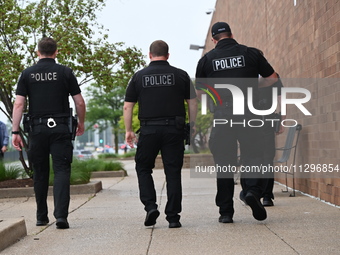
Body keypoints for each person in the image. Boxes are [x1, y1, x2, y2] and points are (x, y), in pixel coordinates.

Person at [195, 22, 278, 223]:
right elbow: (272, 78)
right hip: (249, 112)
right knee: (253, 155)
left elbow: (199, 93)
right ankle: (251, 191)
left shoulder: (206, 60)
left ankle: (225, 212)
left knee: (224, 163)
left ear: (214, 40)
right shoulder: (250, 53)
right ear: (232, 34)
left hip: (224, 115)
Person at [12, 37, 86, 229]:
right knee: (61, 170)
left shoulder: (27, 74)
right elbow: (79, 102)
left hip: (37, 130)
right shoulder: (65, 72)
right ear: (56, 52)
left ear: (38, 52)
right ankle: (61, 217)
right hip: (61, 128)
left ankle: (41, 216)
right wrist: (81, 122)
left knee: (40, 172)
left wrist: (15, 130)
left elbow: (19, 103)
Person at [124, 40, 197, 228]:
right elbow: (192, 103)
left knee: (143, 167)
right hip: (174, 129)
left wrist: (128, 130)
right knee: (173, 173)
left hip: (149, 130)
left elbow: (128, 106)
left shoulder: (139, 77)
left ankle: (150, 206)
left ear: (150, 55)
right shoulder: (181, 75)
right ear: (168, 55)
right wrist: (193, 125)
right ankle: (173, 217)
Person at [259, 73, 285, 206]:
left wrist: (282, 119)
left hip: (263, 121)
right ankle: (258, 194)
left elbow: (281, 97)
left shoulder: (272, 76)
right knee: (258, 158)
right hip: (252, 122)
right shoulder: (246, 73)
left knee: (265, 158)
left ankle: (265, 195)